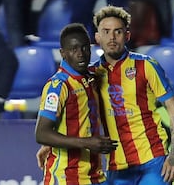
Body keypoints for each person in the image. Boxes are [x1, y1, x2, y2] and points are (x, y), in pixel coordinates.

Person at [37, 5, 174, 184]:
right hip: (117, 166)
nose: (112, 37)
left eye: (118, 32)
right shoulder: (91, 75)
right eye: (106, 32)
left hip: (152, 159)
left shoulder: (146, 66)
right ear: (97, 37)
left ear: (127, 35)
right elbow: (78, 113)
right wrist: (49, 144)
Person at [35, 23, 118, 185]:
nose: (80, 54)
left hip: (94, 175)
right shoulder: (58, 86)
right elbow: (41, 133)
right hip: (67, 178)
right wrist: (87, 143)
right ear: (63, 53)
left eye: (84, 48)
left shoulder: (90, 78)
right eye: (73, 49)